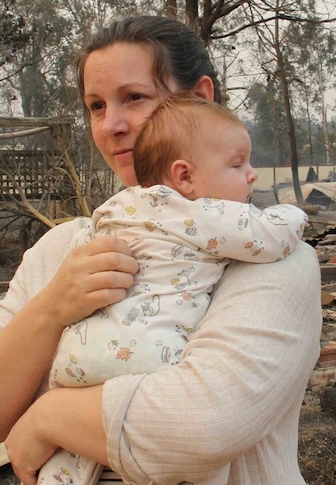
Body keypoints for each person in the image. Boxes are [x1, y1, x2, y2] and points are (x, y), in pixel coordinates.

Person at [0, 15, 322, 485]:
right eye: (96, 105)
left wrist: (48, 415)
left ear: (200, 99)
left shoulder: (269, 257)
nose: (112, 125)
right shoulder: (60, 248)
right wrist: (50, 310)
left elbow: (203, 426)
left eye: (135, 98)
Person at [37, 95, 309, 485]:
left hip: (76, 360)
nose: (252, 174)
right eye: (237, 164)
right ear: (184, 177)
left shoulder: (118, 208)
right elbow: (266, 237)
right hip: (150, 356)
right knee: (182, 462)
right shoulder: (202, 213)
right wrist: (294, 214)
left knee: (75, 456)